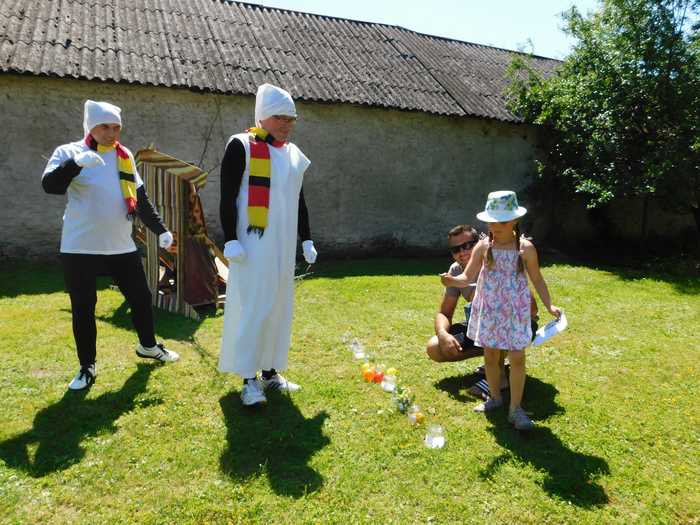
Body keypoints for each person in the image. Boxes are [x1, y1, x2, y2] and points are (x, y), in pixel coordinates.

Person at [42, 100, 180, 391]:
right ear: (90, 126)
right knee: (83, 307)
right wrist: (76, 164)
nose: (111, 132)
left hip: (120, 246)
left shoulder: (124, 156)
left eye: (116, 127)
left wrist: (161, 230)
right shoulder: (69, 152)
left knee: (141, 298)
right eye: (104, 126)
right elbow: (50, 186)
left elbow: (140, 200)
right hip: (80, 248)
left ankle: (148, 346)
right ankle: (86, 366)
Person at [218, 83, 317, 406]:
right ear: (262, 116)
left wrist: (306, 238)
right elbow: (227, 196)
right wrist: (230, 238)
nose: (286, 124)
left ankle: (271, 372)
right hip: (253, 242)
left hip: (282, 245)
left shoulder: (293, 154)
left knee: (278, 306)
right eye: (279, 118)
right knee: (255, 307)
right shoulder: (242, 146)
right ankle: (249, 379)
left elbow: (298, 199)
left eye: (291, 118)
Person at [441, 190, 561, 430]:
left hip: (515, 312)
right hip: (490, 311)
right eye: (491, 222)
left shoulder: (525, 248)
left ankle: (515, 409)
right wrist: (451, 281)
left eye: (502, 222)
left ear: (515, 220)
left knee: (517, 357)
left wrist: (549, 305)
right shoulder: (484, 246)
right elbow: (467, 277)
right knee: (491, 356)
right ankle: (495, 398)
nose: (495, 228)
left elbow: (537, 279)